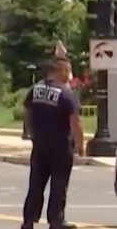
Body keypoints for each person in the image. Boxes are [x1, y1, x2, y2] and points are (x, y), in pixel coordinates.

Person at [21, 57, 83, 229]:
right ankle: (56, 220)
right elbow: (75, 121)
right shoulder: (65, 93)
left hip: (40, 144)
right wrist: (80, 144)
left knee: (36, 184)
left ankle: (28, 220)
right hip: (61, 145)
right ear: (62, 71)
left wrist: (30, 132)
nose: (70, 76)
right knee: (59, 183)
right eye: (69, 72)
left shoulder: (35, 90)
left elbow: (27, 112)